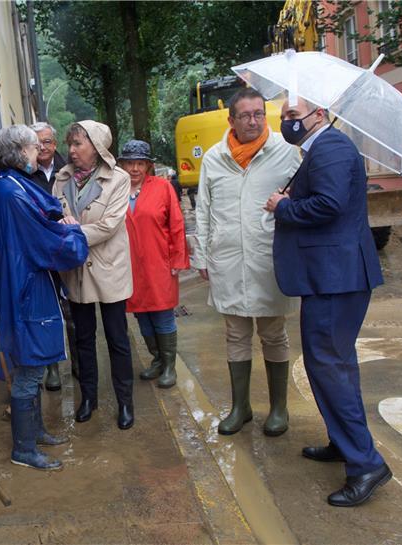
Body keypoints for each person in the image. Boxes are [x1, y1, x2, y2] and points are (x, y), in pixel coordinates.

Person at [265, 96, 390, 507]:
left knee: (330, 367)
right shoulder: (319, 146)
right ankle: (344, 441)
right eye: (284, 116)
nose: (287, 122)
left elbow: (329, 205)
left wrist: (284, 206)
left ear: (319, 114)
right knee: (330, 365)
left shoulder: (332, 147)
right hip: (329, 277)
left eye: (293, 116)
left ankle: (366, 464)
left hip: (337, 278)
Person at [192, 87, 301, 437]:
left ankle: (278, 408)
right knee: (235, 334)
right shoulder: (214, 158)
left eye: (258, 113)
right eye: (245, 115)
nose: (253, 121)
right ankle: (241, 407)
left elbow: (303, 202)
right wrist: (201, 255)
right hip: (227, 258)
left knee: (273, 333)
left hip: (269, 258)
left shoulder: (287, 155)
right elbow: (204, 211)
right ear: (232, 119)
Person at [0, 125, 88, 471]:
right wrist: (72, 232)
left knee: (37, 361)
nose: (38, 153)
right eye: (34, 148)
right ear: (18, 152)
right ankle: (24, 448)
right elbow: (43, 239)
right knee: (30, 370)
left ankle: (36, 431)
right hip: (26, 285)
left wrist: (58, 217)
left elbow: (43, 209)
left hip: (29, 282)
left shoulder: (12, 184)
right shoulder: (8, 191)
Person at [53, 120, 135, 430]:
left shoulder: (118, 179)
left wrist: (71, 230)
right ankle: (88, 398)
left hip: (109, 269)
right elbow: (55, 216)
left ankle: (125, 403)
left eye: (78, 144)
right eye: (70, 144)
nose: (71, 151)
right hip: (75, 272)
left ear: (96, 147)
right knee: (82, 338)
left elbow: (110, 225)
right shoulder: (61, 181)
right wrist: (62, 224)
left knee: (117, 339)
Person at [119, 140, 189, 388]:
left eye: (140, 163)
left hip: (159, 260)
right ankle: (157, 359)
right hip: (128, 265)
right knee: (141, 315)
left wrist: (178, 258)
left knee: (162, 313)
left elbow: (176, 224)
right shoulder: (116, 189)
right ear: (123, 165)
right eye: (130, 163)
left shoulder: (162, 187)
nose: (135, 168)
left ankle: (170, 365)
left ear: (148, 165)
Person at [29, 122, 73, 391]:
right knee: (47, 310)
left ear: (55, 144)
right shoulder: (26, 171)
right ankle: (52, 368)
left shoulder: (68, 170)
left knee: (74, 310)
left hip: (65, 248)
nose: (42, 147)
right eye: (37, 143)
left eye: (46, 142)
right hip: (39, 250)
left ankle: (80, 365)